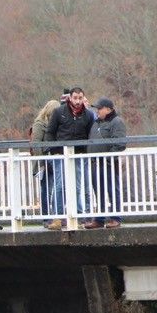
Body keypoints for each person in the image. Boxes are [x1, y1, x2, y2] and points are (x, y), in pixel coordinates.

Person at [46, 87, 94, 217]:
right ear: (70, 98)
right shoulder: (58, 112)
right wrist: (53, 151)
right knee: (60, 185)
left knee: (77, 186)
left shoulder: (88, 115)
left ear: (83, 98)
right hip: (60, 154)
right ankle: (58, 215)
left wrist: (86, 152)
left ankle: (77, 214)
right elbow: (50, 132)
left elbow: (91, 135)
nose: (78, 101)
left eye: (80, 98)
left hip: (78, 155)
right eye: (75, 98)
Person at [85, 98, 126, 228]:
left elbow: (120, 143)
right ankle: (99, 219)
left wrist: (108, 158)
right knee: (98, 191)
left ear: (109, 109)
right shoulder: (96, 122)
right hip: (95, 163)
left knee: (113, 190)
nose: (97, 111)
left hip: (108, 163)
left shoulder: (116, 121)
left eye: (100, 108)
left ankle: (116, 218)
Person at [31, 99, 63, 229]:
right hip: (44, 162)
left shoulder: (56, 123)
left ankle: (56, 216)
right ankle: (46, 217)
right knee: (46, 190)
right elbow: (37, 144)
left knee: (57, 188)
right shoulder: (39, 124)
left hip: (54, 159)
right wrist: (41, 161)